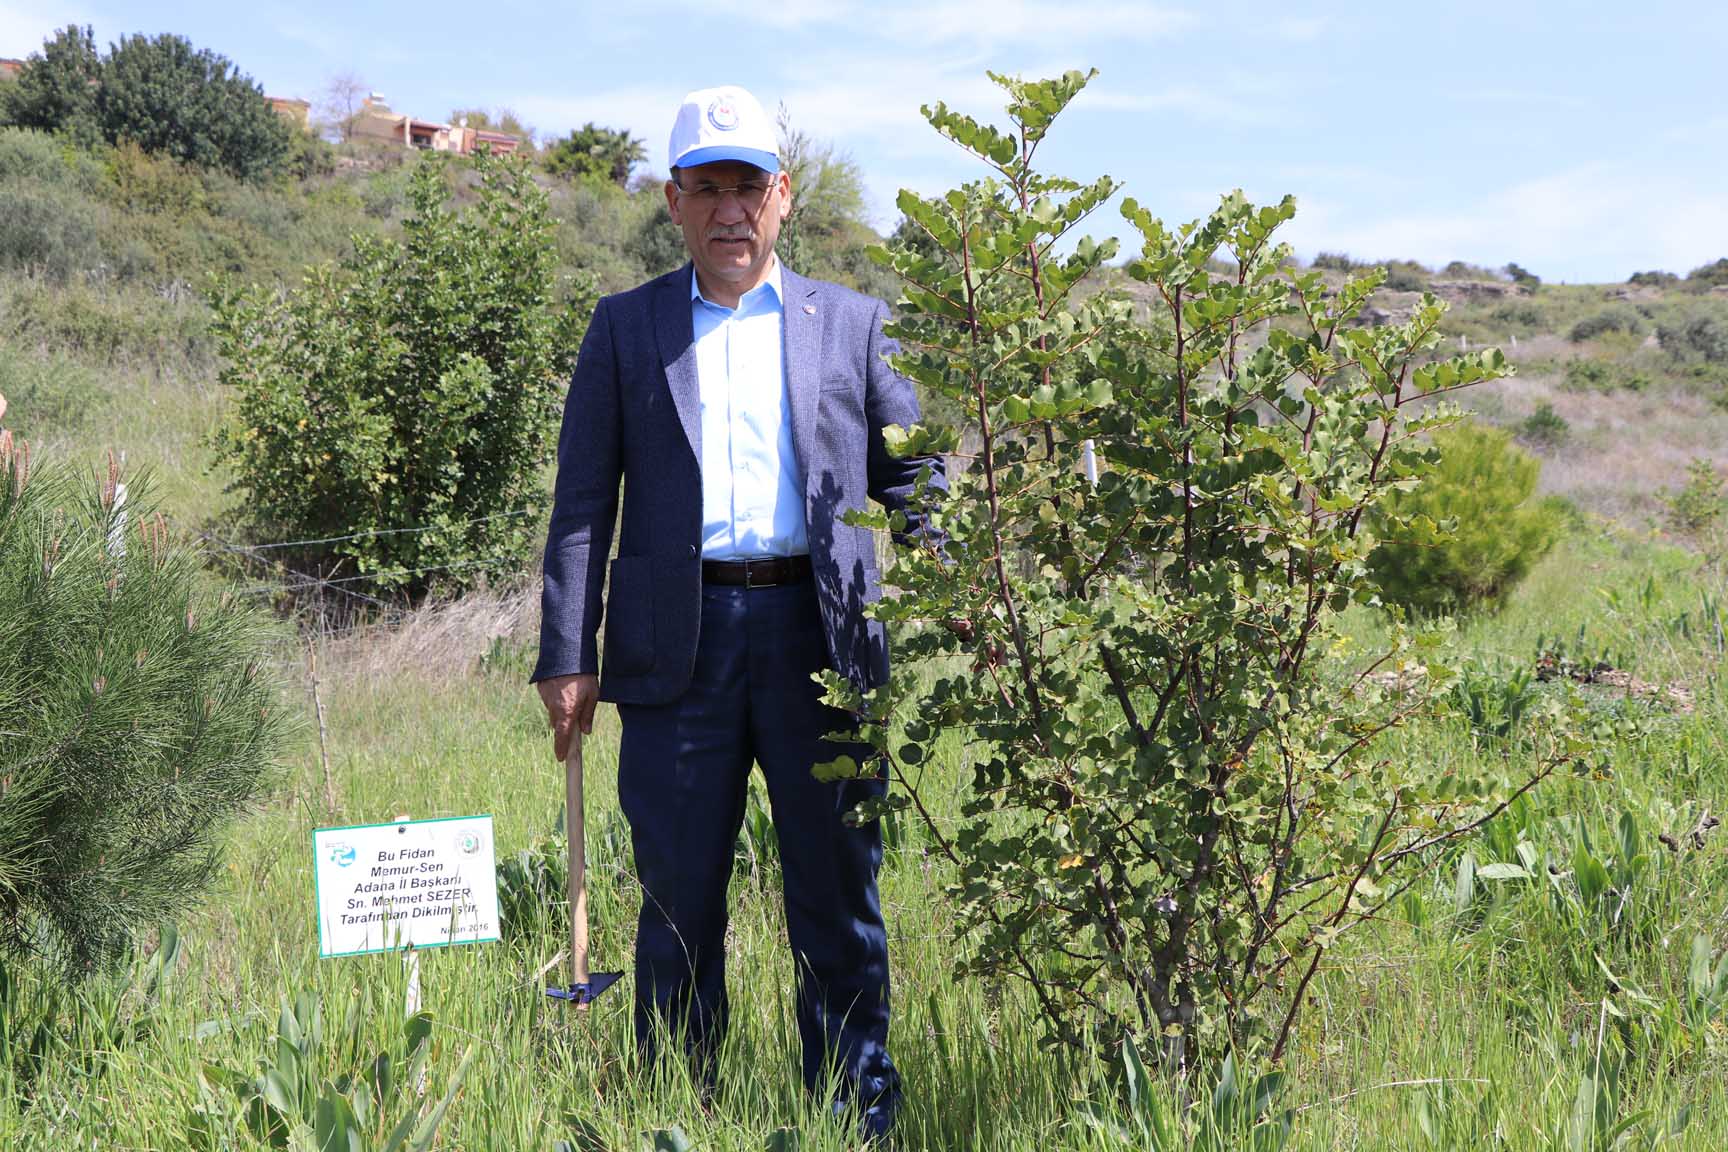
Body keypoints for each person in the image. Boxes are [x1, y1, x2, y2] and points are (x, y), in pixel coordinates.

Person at [532, 84, 946, 1140]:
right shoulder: (625, 330)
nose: (731, 211)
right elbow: (583, 503)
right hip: (678, 652)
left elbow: (912, 477)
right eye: (707, 188)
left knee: (837, 896)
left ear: (784, 198)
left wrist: (967, 581)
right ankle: (682, 1109)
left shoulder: (852, 326)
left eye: (749, 188)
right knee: (679, 899)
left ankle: (854, 1113)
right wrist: (565, 656)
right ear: (672, 201)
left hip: (826, 641)